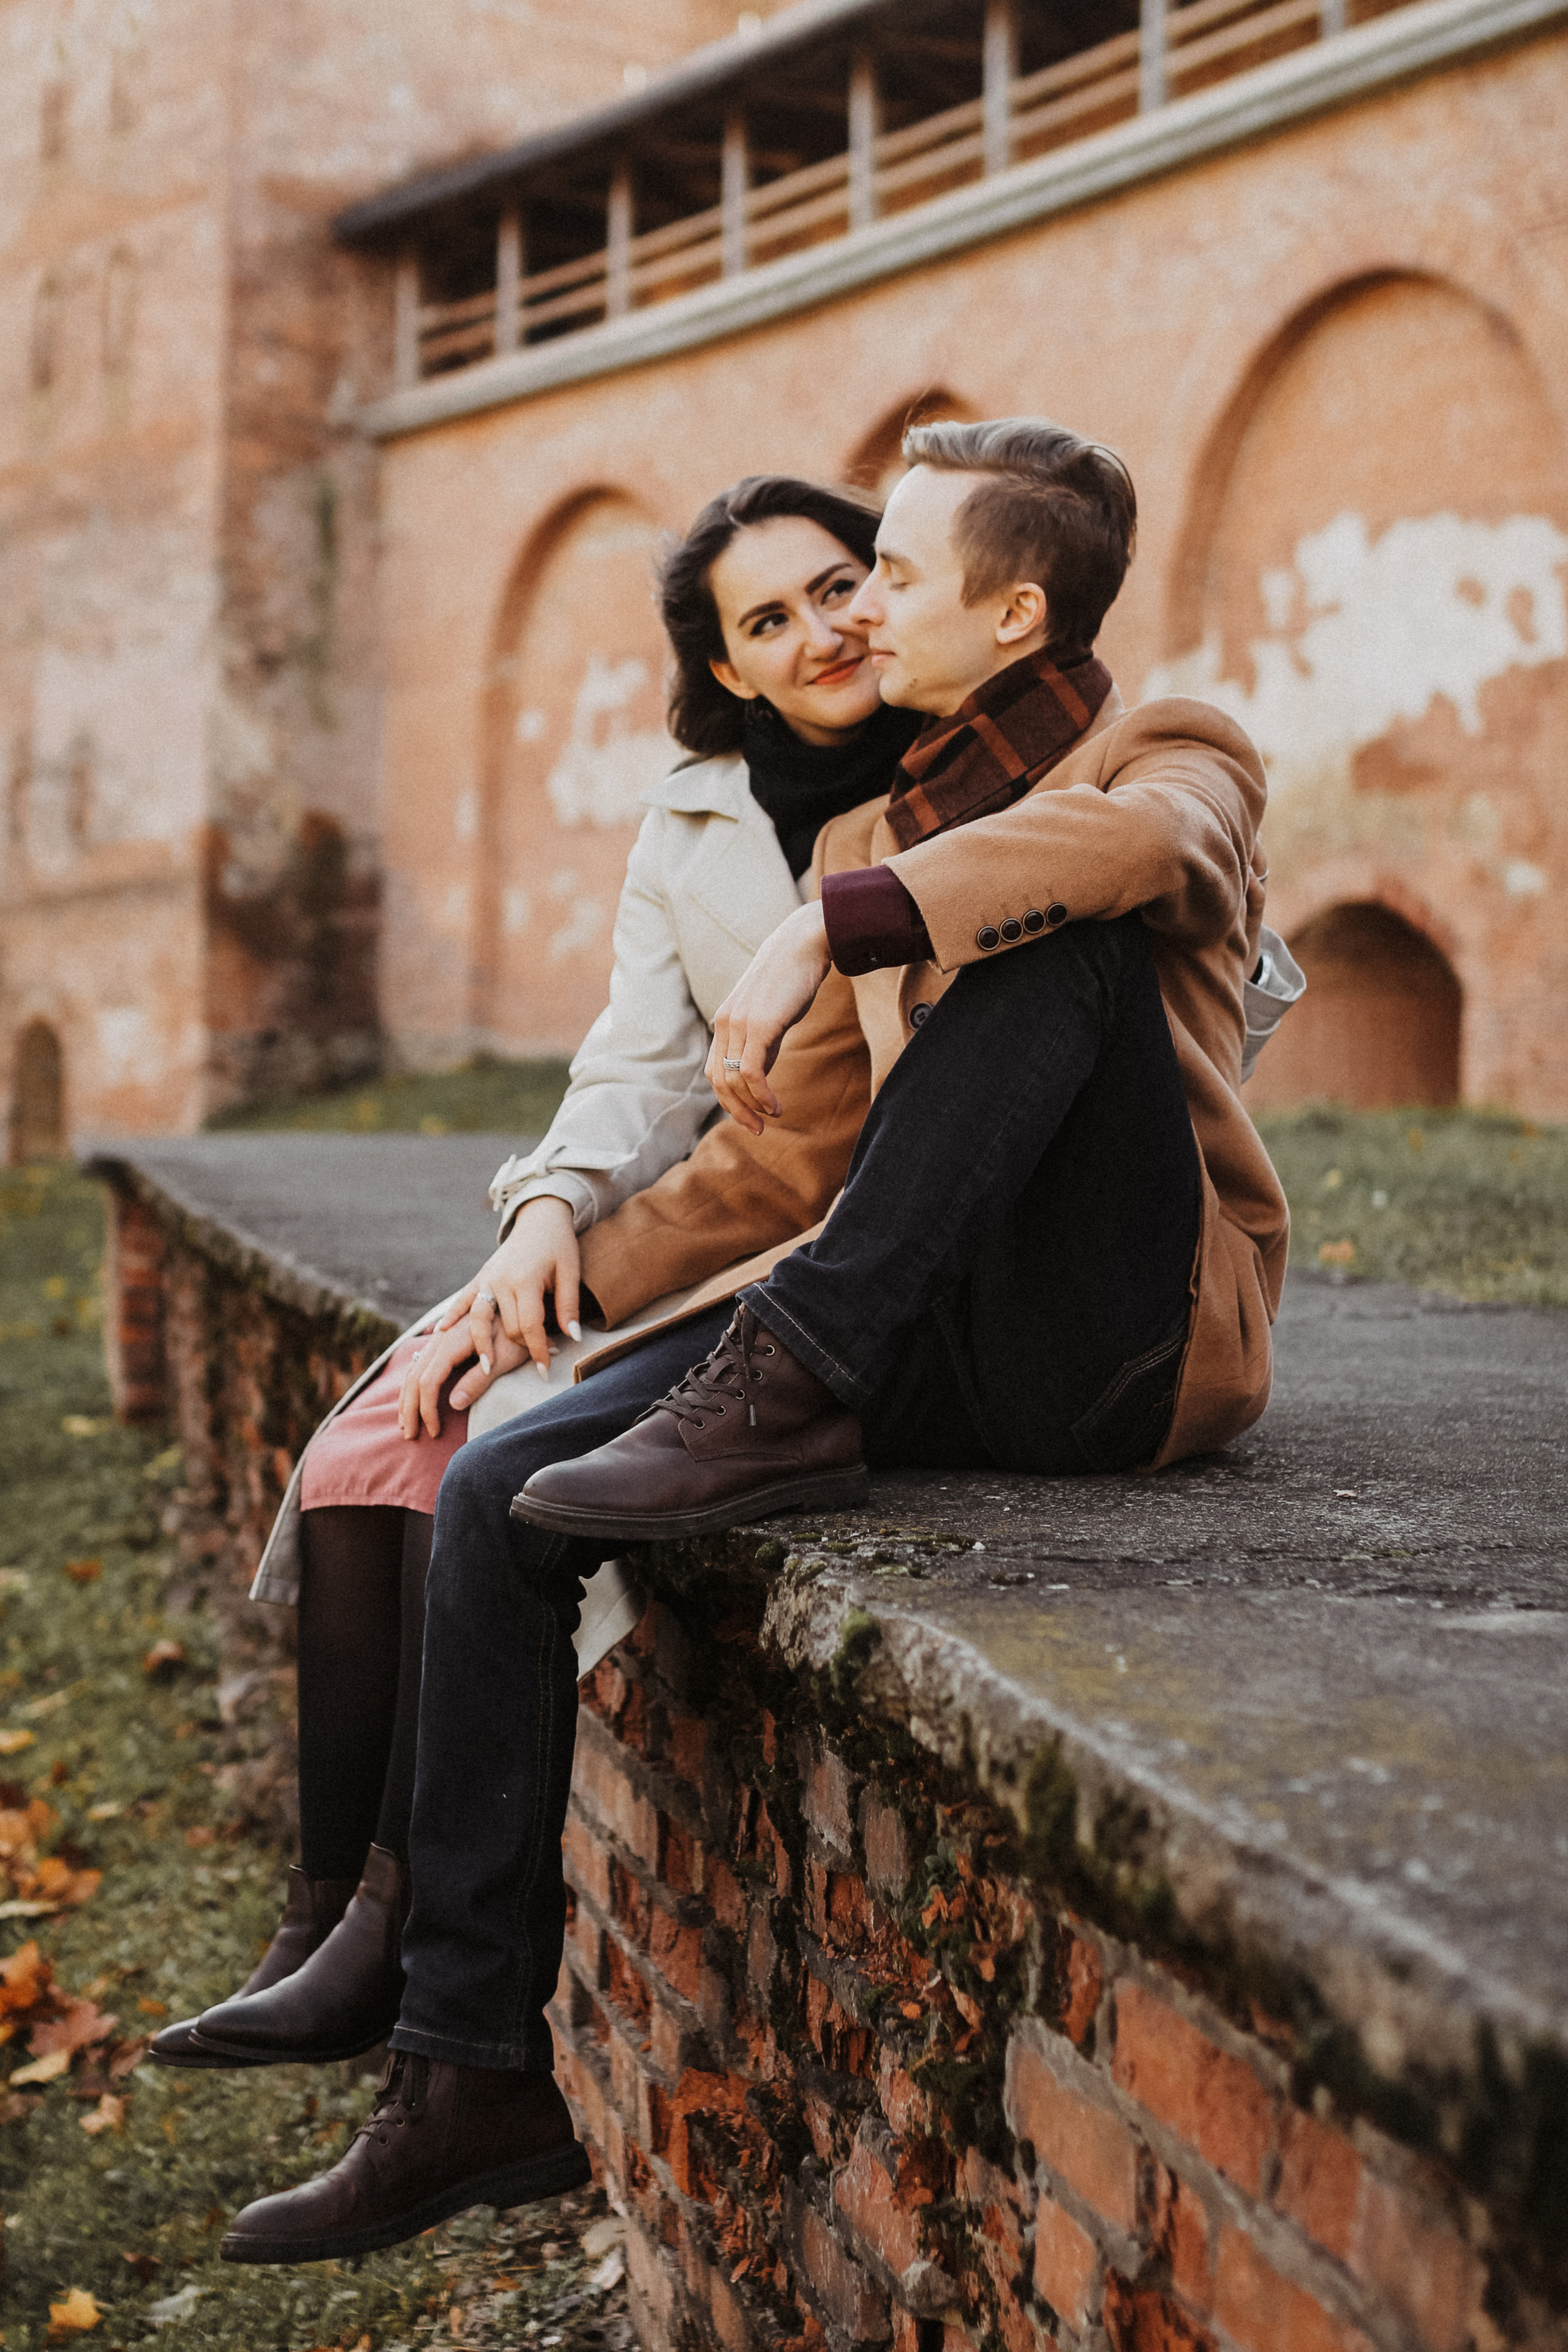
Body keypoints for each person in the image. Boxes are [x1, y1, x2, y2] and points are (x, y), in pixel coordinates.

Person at [217, 417, 1291, 2265]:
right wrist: (535, 1283)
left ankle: (784, 1383)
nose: (860, 612)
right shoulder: (874, 828)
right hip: (916, 1321)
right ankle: (467, 2075)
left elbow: (1148, 849)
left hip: (1129, 1338)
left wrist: (832, 926)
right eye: (811, 602)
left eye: (888, 575)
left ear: (1013, 613)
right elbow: (785, 1159)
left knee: (1056, 916)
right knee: (501, 1487)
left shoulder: (1165, 746)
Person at [149, 475, 920, 2073]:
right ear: (729, 666)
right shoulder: (696, 814)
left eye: (840, 585)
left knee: (485, 1455)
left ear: (894, 578)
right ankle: (331, 1918)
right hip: (701, 1207)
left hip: (827, 1248)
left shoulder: (967, 769)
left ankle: (393, 1937)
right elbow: (635, 1059)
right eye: (770, 619)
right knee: (379, 1440)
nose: (821, 631)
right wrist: (547, 1210)